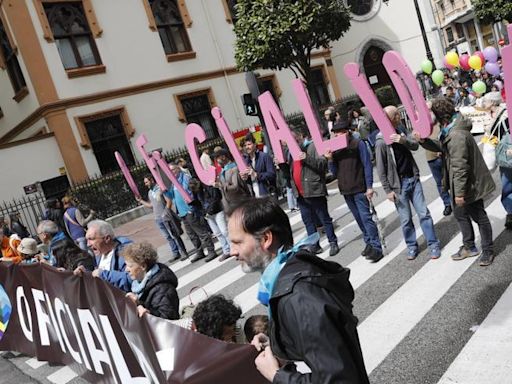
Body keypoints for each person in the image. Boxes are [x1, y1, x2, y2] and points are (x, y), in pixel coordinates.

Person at [227, 197, 369, 383]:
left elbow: (339, 379)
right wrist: (277, 343)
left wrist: (276, 375)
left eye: (238, 242)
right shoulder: (292, 269)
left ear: (266, 239)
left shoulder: (300, 297)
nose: (232, 251)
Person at [419, 97, 495, 266]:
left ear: (440, 115)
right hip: (459, 183)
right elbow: (442, 147)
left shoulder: (455, 134)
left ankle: (488, 250)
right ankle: (469, 246)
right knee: (460, 214)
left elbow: (461, 166)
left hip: (469, 184)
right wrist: (424, 141)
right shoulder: (449, 129)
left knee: (479, 217)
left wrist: (459, 193)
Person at [375, 106, 441, 260]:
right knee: (405, 219)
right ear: (390, 118)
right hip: (398, 186)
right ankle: (411, 246)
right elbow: (381, 168)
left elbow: (415, 145)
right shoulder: (380, 141)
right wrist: (387, 190)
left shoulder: (401, 130)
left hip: (413, 178)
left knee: (424, 213)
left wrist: (403, 140)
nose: (399, 116)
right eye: (396, 115)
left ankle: (433, 245)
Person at [325, 119, 383, 262]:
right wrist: (331, 159)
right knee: (358, 219)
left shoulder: (358, 144)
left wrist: (369, 186)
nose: (336, 136)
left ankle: (376, 247)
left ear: (346, 132)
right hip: (346, 189)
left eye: (338, 133)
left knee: (366, 218)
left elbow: (367, 165)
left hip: (359, 187)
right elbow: (334, 172)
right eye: (335, 134)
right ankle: (368, 242)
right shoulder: (335, 149)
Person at [289, 127, 340, 256]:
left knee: (324, 218)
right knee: (308, 221)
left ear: (300, 136)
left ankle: (333, 242)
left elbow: (323, 165)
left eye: (294, 139)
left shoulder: (312, 147)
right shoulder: (290, 152)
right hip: (300, 194)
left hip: (314, 190)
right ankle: (314, 245)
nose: (292, 143)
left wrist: (306, 158)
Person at [166, 163, 217, 262]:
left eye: (172, 170)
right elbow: (171, 195)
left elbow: (192, 192)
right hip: (182, 212)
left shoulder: (185, 178)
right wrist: (164, 191)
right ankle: (199, 252)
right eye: (169, 171)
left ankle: (211, 251)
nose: (171, 172)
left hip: (190, 210)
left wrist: (191, 208)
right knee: (191, 234)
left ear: (178, 169)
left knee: (200, 232)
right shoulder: (174, 182)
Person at [136, 175, 188, 261]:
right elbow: (151, 205)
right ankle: (175, 253)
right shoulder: (150, 192)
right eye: (145, 183)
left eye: (147, 182)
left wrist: (166, 212)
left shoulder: (160, 189)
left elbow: (169, 201)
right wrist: (141, 201)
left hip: (166, 217)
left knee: (174, 234)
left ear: (152, 180)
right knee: (167, 237)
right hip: (157, 218)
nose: (146, 184)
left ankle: (183, 252)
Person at [124, 242, 180, 320]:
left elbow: (169, 318)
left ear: (143, 266)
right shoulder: (139, 284)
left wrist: (147, 313)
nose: (126, 269)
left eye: (130, 266)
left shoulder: (162, 288)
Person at [74, 220, 133, 291]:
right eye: (87, 240)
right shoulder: (99, 253)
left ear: (107, 238)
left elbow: (132, 279)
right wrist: (85, 273)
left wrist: (104, 275)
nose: (88, 244)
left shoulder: (125, 251)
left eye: (91, 239)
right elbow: (96, 273)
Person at [190, 179, 231, 261]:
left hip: (217, 210)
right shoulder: (196, 191)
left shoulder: (207, 186)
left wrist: (209, 211)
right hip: (208, 214)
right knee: (217, 233)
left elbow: (216, 198)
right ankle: (226, 250)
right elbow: (198, 203)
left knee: (224, 231)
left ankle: (233, 247)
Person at [241, 133, 277, 197]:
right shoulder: (245, 161)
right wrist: (245, 178)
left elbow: (272, 174)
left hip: (267, 193)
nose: (247, 147)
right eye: (245, 145)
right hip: (254, 196)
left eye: (249, 144)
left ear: (254, 145)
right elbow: (248, 181)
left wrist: (256, 174)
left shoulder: (264, 156)